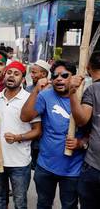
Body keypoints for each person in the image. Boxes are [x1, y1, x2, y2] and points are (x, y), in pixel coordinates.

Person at [21, 60, 87, 209]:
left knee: (69, 205)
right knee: (43, 204)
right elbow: (25, 117)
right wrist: (36, 90)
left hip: (72, 170)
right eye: (55, 76)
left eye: (64, 75)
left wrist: (81, 143)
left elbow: (90, 131)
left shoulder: (84, 96)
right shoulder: (46, 96)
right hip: (45, 166)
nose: (59, 79)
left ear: (73, 77)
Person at [0, 61, 41, 209]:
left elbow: (37, 130)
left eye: (16, 74)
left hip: (20, 162)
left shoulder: (29, 99)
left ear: (23, 79)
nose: (12, 76)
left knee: (19, 202)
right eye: (9, 73)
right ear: (4, 76)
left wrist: (19, 137)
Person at [69, 51, 100, 209]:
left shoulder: (94, 89)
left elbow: (81, 120)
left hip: (94, 167)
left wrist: (72, 92)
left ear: (88, 68)